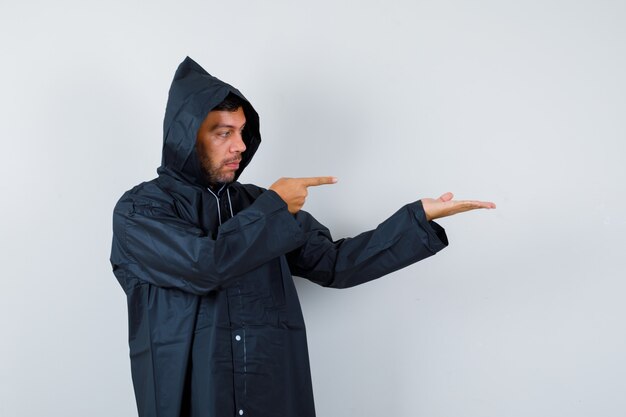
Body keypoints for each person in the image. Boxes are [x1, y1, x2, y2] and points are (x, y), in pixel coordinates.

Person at [110, 56, 495, 417]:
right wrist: (275, 208)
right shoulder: (140, 211)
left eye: (242, 133)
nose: (240, 147)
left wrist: (416, 218)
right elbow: (205, 265)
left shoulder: (259, 204)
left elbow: (335, 264)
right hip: (195, 401)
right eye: (224, 133)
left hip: (271, 395)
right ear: (187, 138)